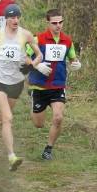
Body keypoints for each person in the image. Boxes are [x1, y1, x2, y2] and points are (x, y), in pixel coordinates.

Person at [0, 4, 42, 171]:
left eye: (18, 17)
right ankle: (12, 156)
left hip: (16, 82)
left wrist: (32, 64)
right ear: (6, 18)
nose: (15, 20)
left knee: (2, 117)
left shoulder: (25, 35)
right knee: (8, 118)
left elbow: (39, 54)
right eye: (12, 17)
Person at [28, 9, 82, 160]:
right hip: (39, 86)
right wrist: (36, 66)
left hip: (58, 86)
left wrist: (76, 64)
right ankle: (32, 101)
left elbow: (72, 59)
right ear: (48, 23)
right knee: (38, 124)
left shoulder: (67, 41)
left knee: (58, 118)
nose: (58, 26)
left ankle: (48, 149)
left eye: (60, 22)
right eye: (54, 23)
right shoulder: (38, 39)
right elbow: (23, 56)